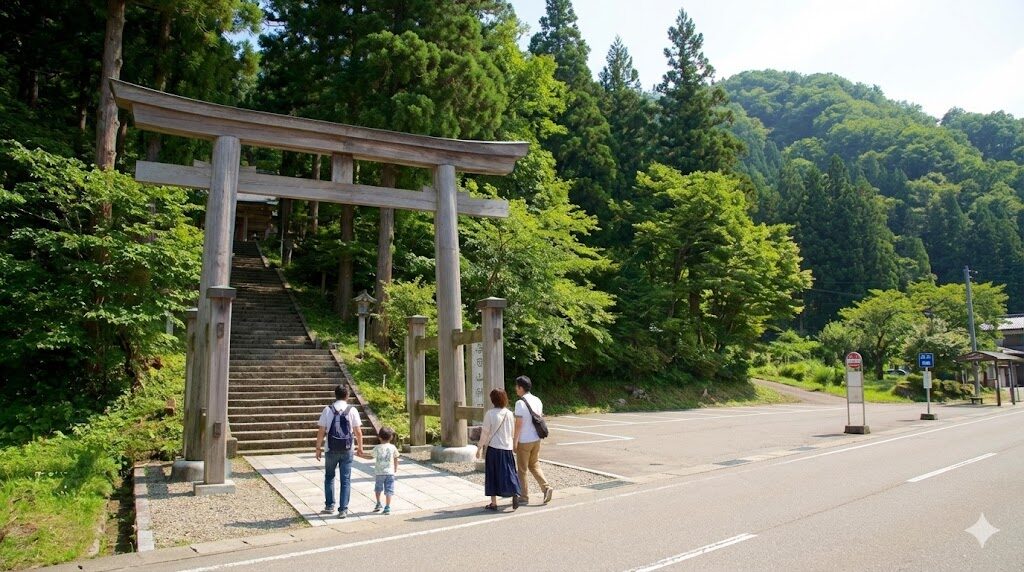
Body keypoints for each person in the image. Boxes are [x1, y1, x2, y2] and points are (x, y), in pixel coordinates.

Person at [315, 384, 364, 518]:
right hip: (347, 449)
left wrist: (318, 448)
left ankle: (330, 505)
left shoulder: (327, 410)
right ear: (347, 395)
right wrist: (360, 447)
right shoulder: (352, 410)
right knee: (345, 479)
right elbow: (358, 432)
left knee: (329, 477)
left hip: (330, 448)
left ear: (335, 395)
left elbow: (321, 430)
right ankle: (343, 509)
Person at [476, 388, 521, 511]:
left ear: (493, 400)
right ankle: (515, 493)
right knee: (510, 472)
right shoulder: (509, 413)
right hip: (507, 448)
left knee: (492, 475)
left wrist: (479, 447)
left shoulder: (490, 414)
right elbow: (512, 432)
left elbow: (485, 433)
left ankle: (494, 503)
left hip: (494, 448)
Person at [514, 375, 553, 505]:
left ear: (521, 388)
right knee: (534, 465)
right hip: (536, 439)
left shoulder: (520, 403)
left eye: (517, 386)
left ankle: (524, 496)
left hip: (524, 440)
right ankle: (546, 487)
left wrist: (515, 441)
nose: (516, 389)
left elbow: (518, 424)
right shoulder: (537, 400)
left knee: (522, 469)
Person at [369, 427, 399, 515]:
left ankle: (378, 503)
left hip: (379, 473)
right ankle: (387, 507)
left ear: (379, 437)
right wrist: (395, 468)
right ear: (391, 437)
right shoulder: (393, 447)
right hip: (390, 473)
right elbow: (396, 457)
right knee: (389, 490)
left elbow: (371, 456)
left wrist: (360, 455)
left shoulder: (377, 447)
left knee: (378, 489)